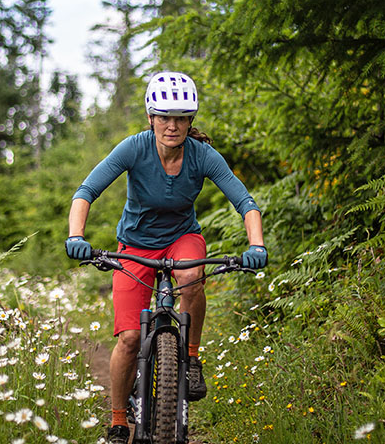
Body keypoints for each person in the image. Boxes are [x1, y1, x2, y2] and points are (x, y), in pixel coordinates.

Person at [65, 71, 267, 444]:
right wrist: (76, 235)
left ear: (190, 121)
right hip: (135, 247)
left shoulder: (202, 155)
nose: (172, 125)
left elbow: (245, 202)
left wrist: (255, 245)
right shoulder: (134, 148)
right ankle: (118, 419)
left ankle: (190, 358)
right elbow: (86, 191)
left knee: (191, 280)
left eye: (180, 118)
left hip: (181, 239)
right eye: (164, 116)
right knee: (128, 338)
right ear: (151, 118)